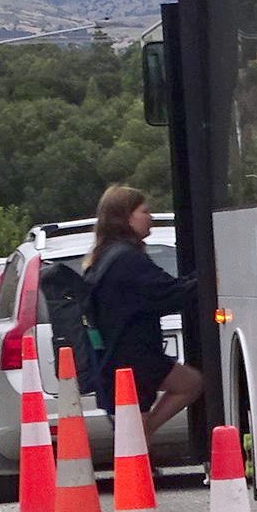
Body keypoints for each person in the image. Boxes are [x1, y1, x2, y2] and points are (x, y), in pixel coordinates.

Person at [84, 185, 204, 449]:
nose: (150, 217)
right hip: (133, 361)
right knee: (135, 435)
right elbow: (168, 292)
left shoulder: (105, 256)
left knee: (190, 383)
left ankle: (142, 438)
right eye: (144, 211)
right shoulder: (127, 260)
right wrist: (208, 275)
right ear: (126, 218)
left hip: (122, 357)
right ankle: (138, 456)